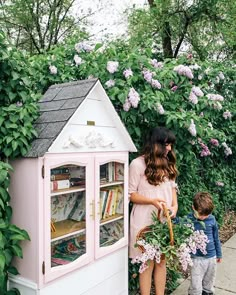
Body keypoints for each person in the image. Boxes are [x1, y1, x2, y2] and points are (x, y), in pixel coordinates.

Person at [129, 126, 178, 295]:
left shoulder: (168, 164)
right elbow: (131, 195)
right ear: (155, 144)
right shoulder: (137, 164)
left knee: (161, 261)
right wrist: (151, 201)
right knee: (146, 263)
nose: (169, 149)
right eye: (166, 145)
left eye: (170, 145)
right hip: (144, 221)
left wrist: (174, 208)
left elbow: (173, 191)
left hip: (163, 221)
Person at [188, 192, 222, 295]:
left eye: (206, 215)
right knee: (196, 286)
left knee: (209, 283)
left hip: (211, 258)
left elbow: (216, 237)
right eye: (201, 214)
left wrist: (219, 253)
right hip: (196, 258)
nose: (204, 217)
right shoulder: (189, 219)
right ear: (193, 207)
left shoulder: (211, 219)